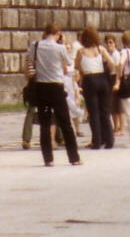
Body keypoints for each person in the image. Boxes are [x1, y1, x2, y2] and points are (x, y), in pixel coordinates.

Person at [30, 23, 81, 167]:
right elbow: (69, 62)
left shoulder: (35, 45)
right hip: (56, 86)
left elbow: (29, 60)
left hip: (41, 86)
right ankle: (74, 157)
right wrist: (63, 42)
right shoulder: (60, 48)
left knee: (45, 124)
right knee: (65, 123)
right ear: (58, 34)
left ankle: (48, 159)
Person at [77, 27, 115, 150]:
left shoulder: (81, 51)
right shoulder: (101, 49)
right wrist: (106, 71)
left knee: (93, 112)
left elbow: (77, 65)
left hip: (89, 79)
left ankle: (97, 141)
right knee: (105, 111)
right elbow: (112, 63)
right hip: (102, 79)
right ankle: (109, 140)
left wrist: (83, 74)